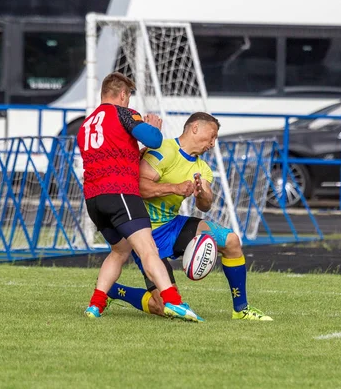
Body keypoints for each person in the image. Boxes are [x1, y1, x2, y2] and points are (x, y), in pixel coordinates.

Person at [107, 112, 273, 321]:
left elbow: (205, 205)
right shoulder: (163, 150)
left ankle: (241, 309)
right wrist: (175, 187)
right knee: (164, 308)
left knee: (231, 241)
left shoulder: (202, 168)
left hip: (173, 226)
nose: (212, 144)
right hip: (143, 233)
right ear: (194, 128)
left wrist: (203, 195)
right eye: (211, 136)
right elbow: (139, 187)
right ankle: (114, 291)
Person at [77, 72, 203, 322]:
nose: (128, 101)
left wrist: (134, 153)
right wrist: (154, 128)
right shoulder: (124, 113)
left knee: (119, 251)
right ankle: (174, 302)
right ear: (123, 94)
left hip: (93, 198)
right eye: (128, 97)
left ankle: (95, 305)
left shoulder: (87, 123)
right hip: (120, 193)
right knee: (148, 250)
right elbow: (155, 141)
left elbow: (107, 156)